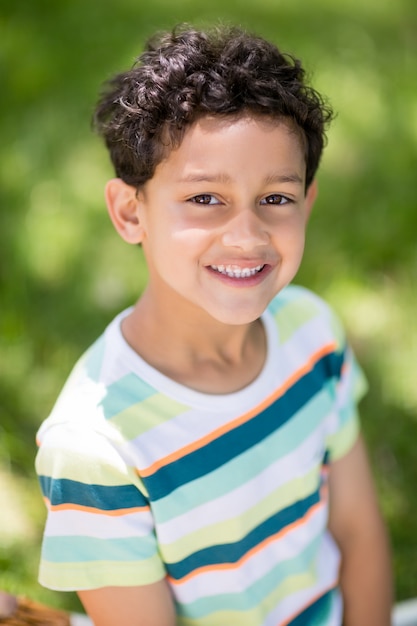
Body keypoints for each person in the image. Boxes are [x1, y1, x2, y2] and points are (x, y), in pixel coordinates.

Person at [34, 24, 393, 626]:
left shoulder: (312, 332)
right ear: (130, 212)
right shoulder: (96, 448)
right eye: (205, 199)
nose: (248, 235)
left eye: (276, 198)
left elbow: (359, 533)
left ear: (307, 203)